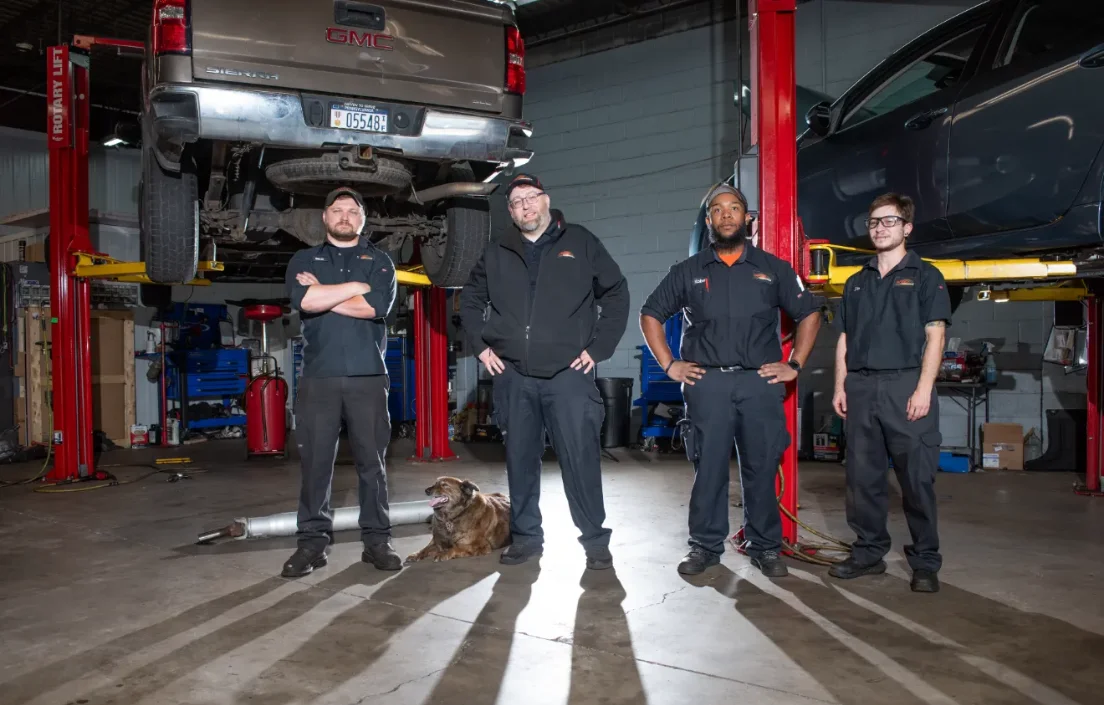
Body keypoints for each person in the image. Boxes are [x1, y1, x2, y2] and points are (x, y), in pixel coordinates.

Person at [639, 184, 822, 578]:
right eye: (718, 209)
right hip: (708, 386)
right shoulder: (688, 271)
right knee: (709, 471)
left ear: (747, 219)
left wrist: (795, 363)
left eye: (734, 208)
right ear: (709, 220)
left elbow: (809, 313)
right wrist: (670, 365)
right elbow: (650, 314)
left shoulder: (773, 269)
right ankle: (704, 547)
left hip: (759, 384)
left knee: (760, 466)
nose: (726, 215)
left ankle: (765, 547)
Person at [459, 174, 630, 570]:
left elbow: (617, 292)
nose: (525, 206)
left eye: (531, 198)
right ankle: (526, 538)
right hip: (515, 375)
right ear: (510, 210)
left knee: (580, 458)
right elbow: (470, 299)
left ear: (546, 200)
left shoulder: (581, 242)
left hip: (568, 375)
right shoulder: (498, 250)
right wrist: (481, 348)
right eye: (516, 201)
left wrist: (599, 347)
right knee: (520, 459)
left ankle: (594, 541)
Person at [829, 192, 951, 593]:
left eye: (889, 221)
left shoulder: (925, 275)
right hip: (861, 387)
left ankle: (926, 562)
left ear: (907, 227)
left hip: (905, 386)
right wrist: (840, 385)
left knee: (916, 479)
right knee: (862, 477)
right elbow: (844, 339)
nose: (880, 228)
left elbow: (936, 336)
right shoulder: (856, 281)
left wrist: (923, 390)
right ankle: (868, 553)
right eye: (875, 222)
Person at [281, 186, 400, 578]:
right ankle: (312, 544)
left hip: (368, 378)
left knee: (373, 464)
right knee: (316, 464)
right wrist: (353, 288)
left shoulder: (380, 260)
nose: (345, 216)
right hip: (319, 378)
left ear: (363, 219)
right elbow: (306, 303)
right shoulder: (304, 257)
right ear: (325, 217)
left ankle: (377, 543)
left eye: (353, 210)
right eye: (337, 210)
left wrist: (325, 293)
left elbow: (375, 308)